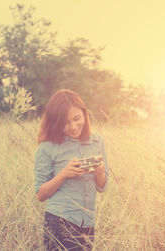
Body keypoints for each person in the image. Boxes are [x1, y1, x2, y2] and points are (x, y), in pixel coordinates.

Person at [34, 89, 109, 250]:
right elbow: (40, 194)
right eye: (65, 122)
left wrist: (99, 171)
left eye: (77, 118)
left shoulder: (97, 141)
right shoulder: (47, 147)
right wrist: (64, 174)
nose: (73, 126)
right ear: (55, 122)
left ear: (84, 114)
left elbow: (102, 186)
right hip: (59, 221)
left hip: (88, 223)